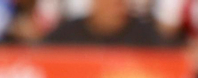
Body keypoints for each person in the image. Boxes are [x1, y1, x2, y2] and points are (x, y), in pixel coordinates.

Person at [42, 0, 170, 45]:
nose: (114, 6)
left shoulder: (145, 35)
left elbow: (169, 58)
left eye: (118, 2)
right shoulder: (67, 34)